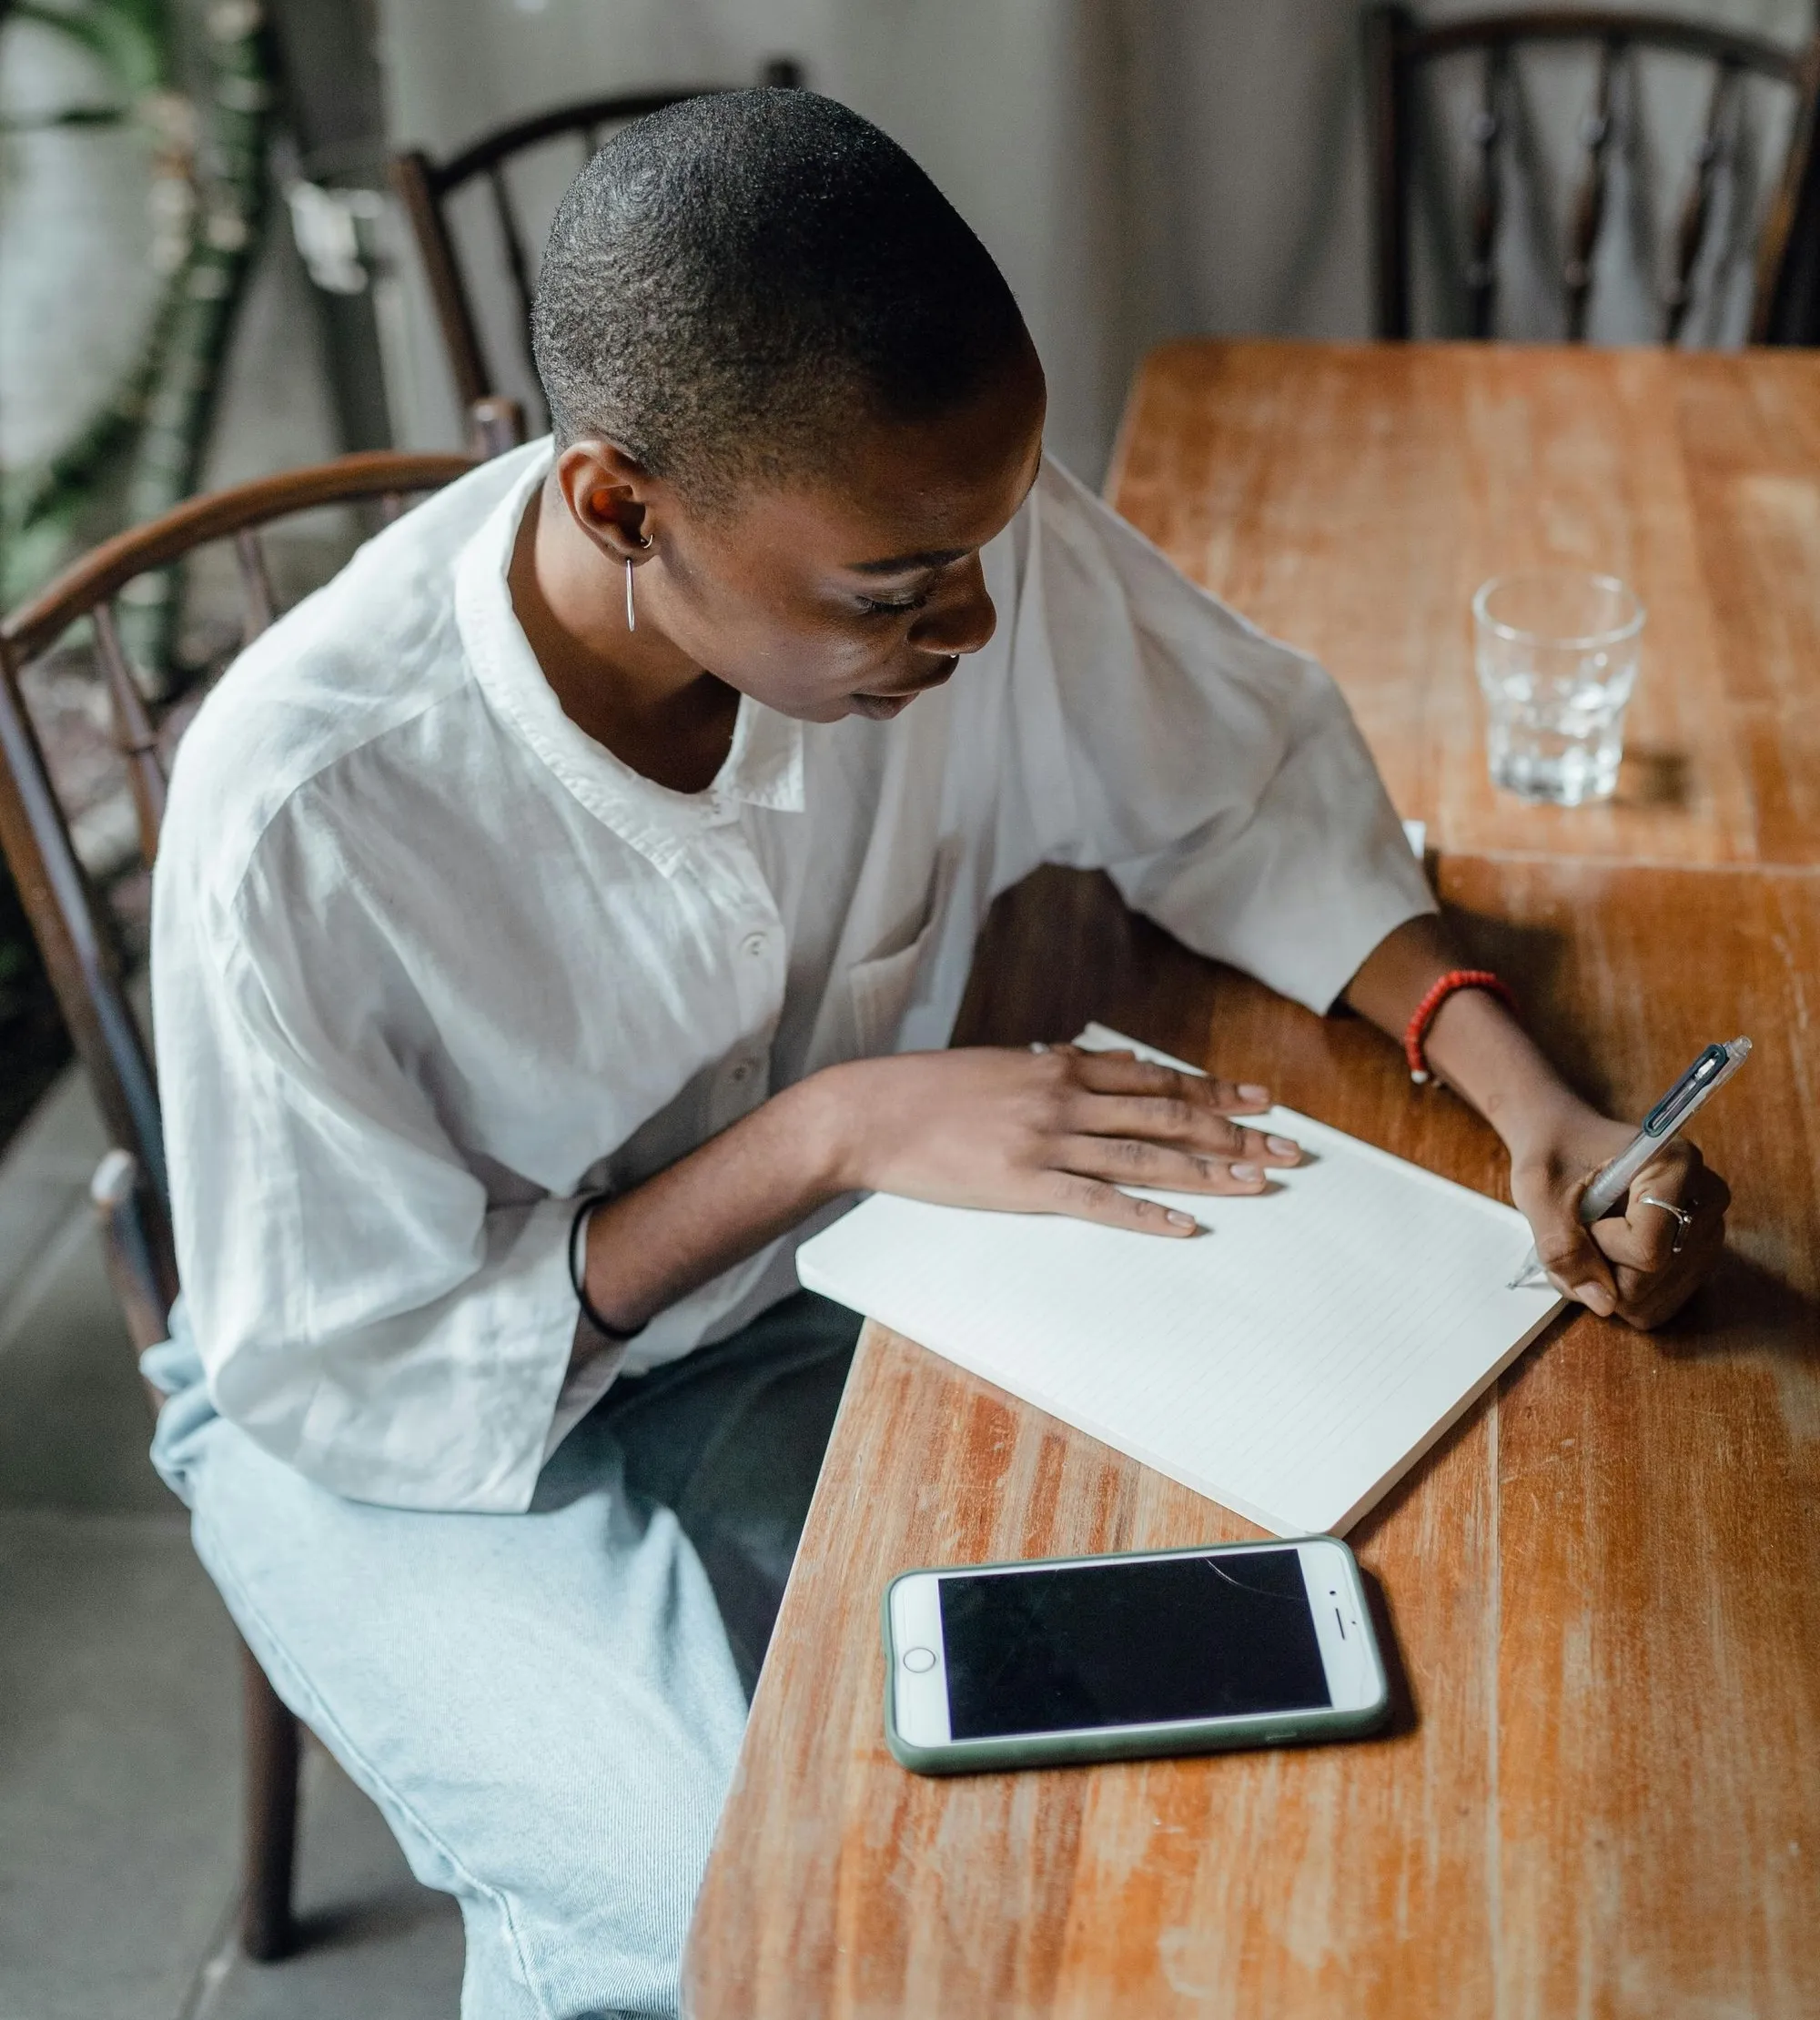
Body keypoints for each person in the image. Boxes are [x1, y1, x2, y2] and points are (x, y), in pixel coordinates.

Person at [145, 88, 1728, 2018]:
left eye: (986, 543)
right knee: (699, 1917)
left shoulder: (929, 525)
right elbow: (349, 1359)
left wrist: (1526, 1092)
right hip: (379, 1413)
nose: (976, 619)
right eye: (897, 594)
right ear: (622, 509)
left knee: (1215, 1660)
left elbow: (1237, 797)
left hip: (772, 1302)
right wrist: (832, 1129)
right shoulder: (303, 812)